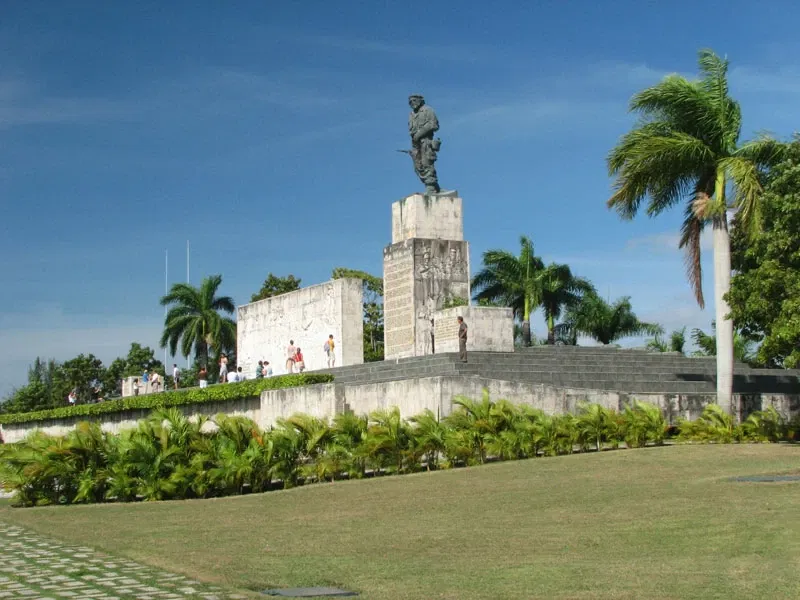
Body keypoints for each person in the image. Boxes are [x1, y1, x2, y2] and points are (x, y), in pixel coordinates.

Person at [408, 94, 441, 194]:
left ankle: (431, 186)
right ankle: (435, 186)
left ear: (420, 100)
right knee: (418, 166)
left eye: (414, 100)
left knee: (427, 163)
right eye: (410, 102)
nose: (412, 103)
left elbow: (434, 125)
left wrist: (420, 133)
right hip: (415, 143)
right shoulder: (412, 114)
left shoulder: (427, 110)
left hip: (426, 141)